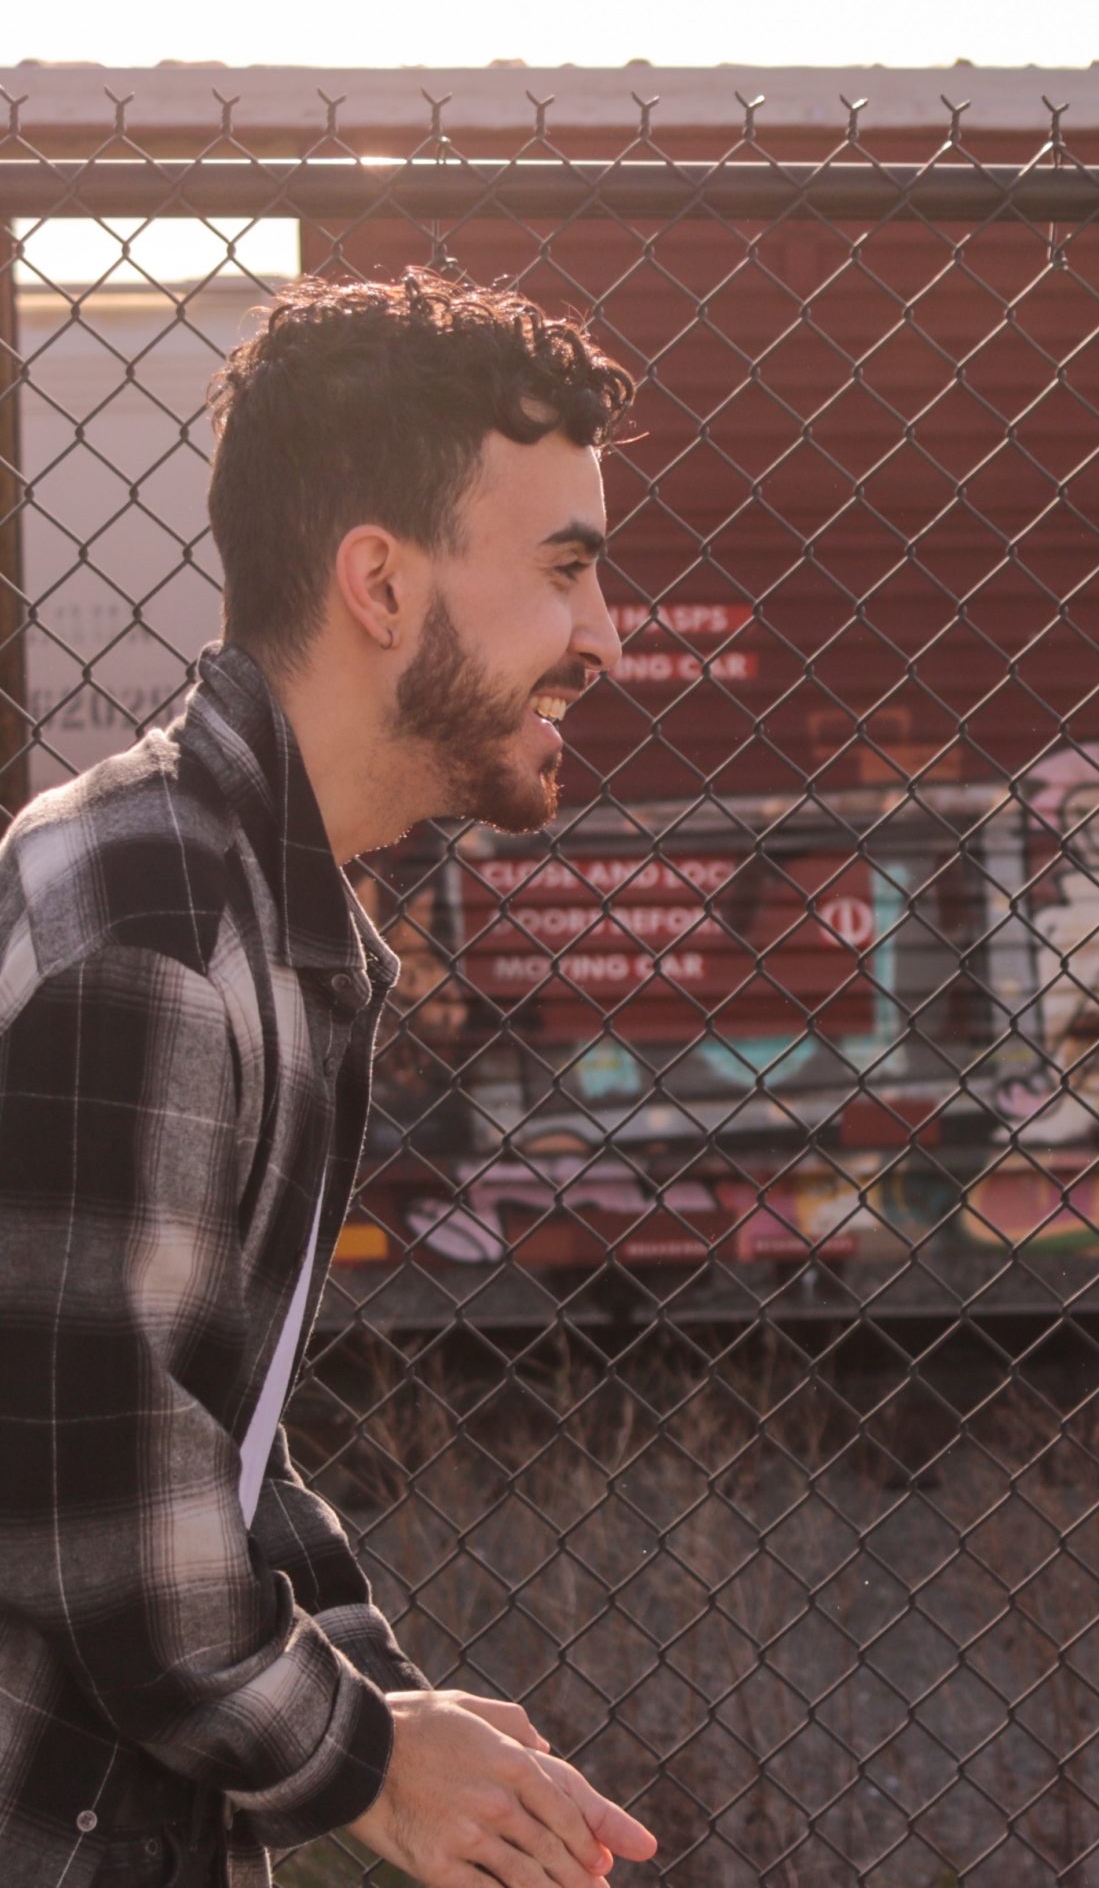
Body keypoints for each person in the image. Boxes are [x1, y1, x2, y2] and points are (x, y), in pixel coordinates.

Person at [0, 273, 658, 1888]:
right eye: (565, 569)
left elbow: (205, 1426)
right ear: (379, 581)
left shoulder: (249, 902)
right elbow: (97, 1504)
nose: (605, 635)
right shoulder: (158, 931)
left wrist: (382, 1701)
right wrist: (370, 1763)